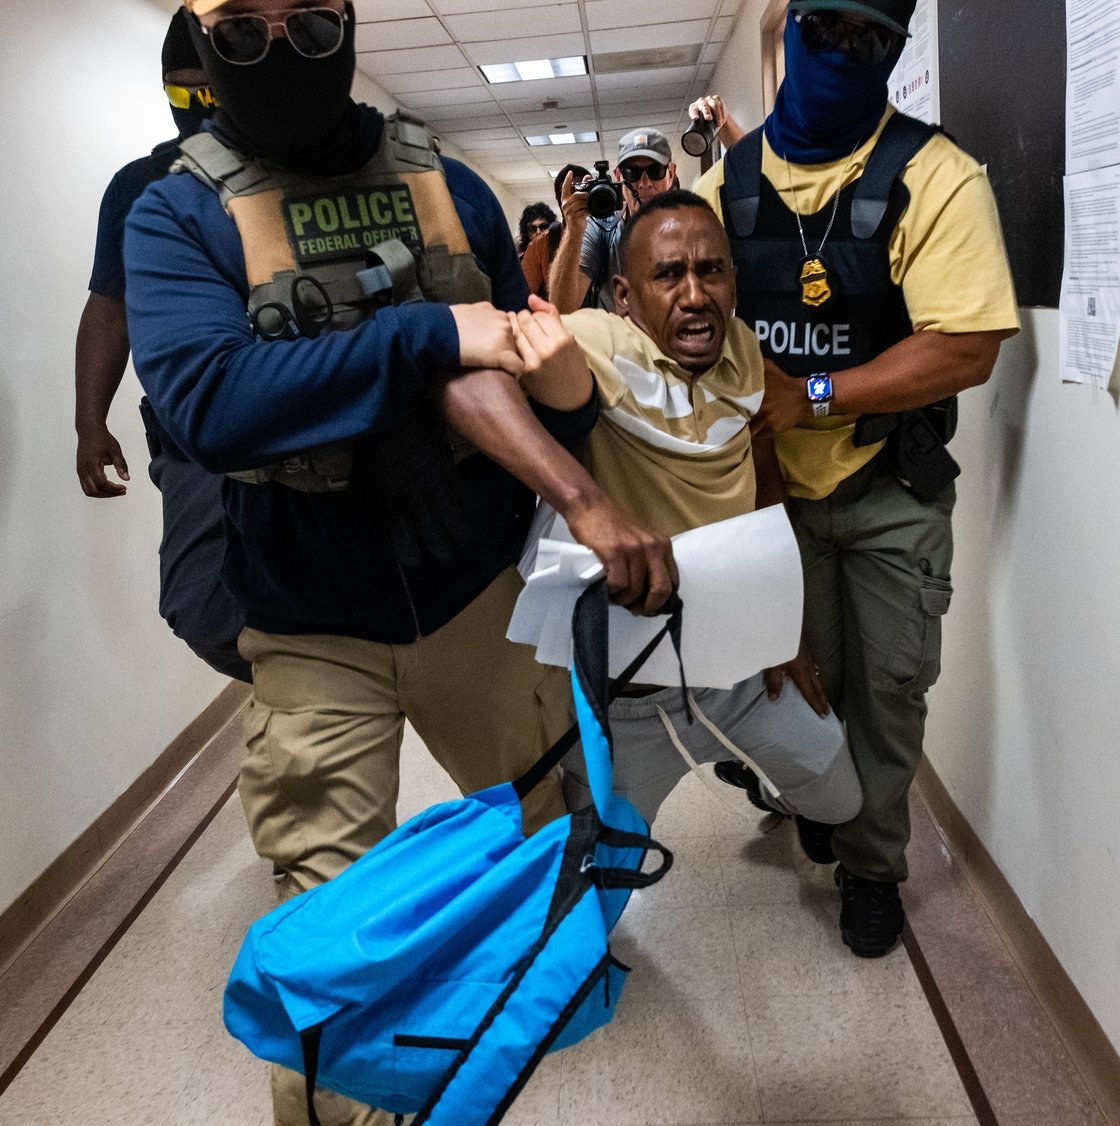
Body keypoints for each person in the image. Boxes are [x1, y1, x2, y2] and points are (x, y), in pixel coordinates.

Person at [125, 3, 675, 1122]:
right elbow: (210, 403)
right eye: (243, 25)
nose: (278, 49)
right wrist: (430, 334)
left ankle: (525, 1005)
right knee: (330, 953)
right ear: (198, 32)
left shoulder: (448, 185)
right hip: (310, 622)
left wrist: (563, 412)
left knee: (553, 842)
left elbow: (528, 388)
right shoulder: (175, 211)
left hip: (475, 593)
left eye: (307, 18)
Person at [693, 0, 1019, 957]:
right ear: (792, 28)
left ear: (895, 50)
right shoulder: (725, 189)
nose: (843, 54)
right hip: (771, 497)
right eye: (826, 30)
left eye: (869, 42)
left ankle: (873, 866)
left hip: (888, 485)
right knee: (798, 681)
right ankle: (819, 804)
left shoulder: (935, 174)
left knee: (888, 691)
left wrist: (817, 394)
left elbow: (966, 347)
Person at [519, 190, 861, 841]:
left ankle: (758, 775)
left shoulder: (746, 351)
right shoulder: (596, 343)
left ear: (734, 280)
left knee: (838, 800)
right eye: (669, 274)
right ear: (623, 295)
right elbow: (485, 372)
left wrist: (783, 627)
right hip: (626, 700)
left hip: (738, 667)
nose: (695, 293)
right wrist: (581, 501)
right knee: (597, 890)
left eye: (712, 270)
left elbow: (765, 480)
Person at [75, 11, 251, 682]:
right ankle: (299, 677)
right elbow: (108, 307)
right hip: (194, 431)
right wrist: (90, 423)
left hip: (295, 406)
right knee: (204, 608)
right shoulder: (140, 184)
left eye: (208, 89)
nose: (198, 108)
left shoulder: (283, 167)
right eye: (181, 92)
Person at [548, 128, 677, 314]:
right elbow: (561, 307)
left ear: (671, 173)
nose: (644, 183)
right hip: (617, 340)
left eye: (655, 171)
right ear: (618, 176)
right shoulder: (602, 228)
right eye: (632, 173)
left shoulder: (688, 228)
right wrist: (574, 233)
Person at [520, 163, 589, 300]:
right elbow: (523, 297)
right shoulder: (541, 245)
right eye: (572, 190)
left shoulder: (609, 232)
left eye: (585, 188)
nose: (579, 196)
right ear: (560, 198)